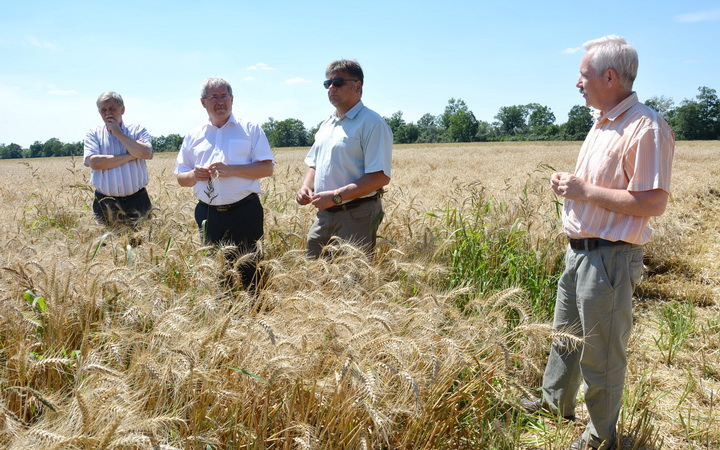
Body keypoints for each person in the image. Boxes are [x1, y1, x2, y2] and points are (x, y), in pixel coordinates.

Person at [522, 36, 675, 450]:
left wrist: (585, 191)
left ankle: (600, 437)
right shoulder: (603, 121)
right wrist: (571, 189)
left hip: (609, 258)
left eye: (583, 74)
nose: (577, 83)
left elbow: (653, 202)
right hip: (579, 252)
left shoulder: (646, 127)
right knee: (566, 336)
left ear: (610, 76)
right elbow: (594, 189)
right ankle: (555, 405)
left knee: (602, 353)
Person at [175, 77, 274, 291]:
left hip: (244, 211)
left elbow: (267, 168)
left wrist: (232, 170)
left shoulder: (250, 129)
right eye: (214, 97)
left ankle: (254, 313)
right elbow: (181, 178)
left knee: (250, 270)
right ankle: (223, 316)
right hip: (208, 215)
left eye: (224, 96)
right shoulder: (193, 136)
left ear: (232, 99)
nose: (220, 102)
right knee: (217, 272)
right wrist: (194, 174)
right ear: (203, 102)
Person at [296, 59, 393, 259]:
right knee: (315, 274)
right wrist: (306, 187)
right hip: (324, 214)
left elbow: (380, 177)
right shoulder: (327, 124)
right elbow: (314, 163)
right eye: (327, 84)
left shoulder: (372, 123)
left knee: (352, 281)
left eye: (338, 82)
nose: (331, 88)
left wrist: (336, 196)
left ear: (357, 86)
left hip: (357, 215)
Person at [84, 91, 153, 228]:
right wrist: (131, 155)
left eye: (112, 108)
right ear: (99, 112)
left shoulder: (137, 130)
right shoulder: (93, 134)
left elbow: (146, 153)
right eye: (103, 110)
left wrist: (118, 134)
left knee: (141, 245)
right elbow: (95, 163)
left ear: (122, 109)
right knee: (106, 246)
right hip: (105, 203)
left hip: (137, 201)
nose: (107, 113)